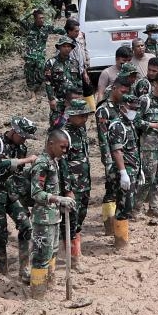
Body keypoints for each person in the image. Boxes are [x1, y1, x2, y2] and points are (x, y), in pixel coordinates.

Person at [0, 117, 38, 279]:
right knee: (0, 234)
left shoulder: (21, 148)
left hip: (12, 194)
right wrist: (26, 160)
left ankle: (24, 268)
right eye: (22, 136)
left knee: (26, 226)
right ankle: (1, 271)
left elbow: (19, 175)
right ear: (14, 131)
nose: (23, 140)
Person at [28, 130, 75, 297]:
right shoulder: (41, 164)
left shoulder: (53, 162)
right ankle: (38, 293)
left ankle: (48, 285)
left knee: (52, 251)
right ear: (51, 144)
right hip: (43, 218)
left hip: (54, 217)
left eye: (67, 148)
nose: (64, 151)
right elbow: (36, 193)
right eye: (62, 147)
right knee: (41, 255)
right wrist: (58, 199)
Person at [96, 72, 133, 234]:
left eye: (127, 92)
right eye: (122, 92)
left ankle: (117, 227)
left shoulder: (122, 108)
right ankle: (109, 225)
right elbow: (104, 138)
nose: (125, 95)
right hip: (111, 157)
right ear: (114, 88)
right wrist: (109, 161)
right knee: (111, 190)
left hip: (124, 156)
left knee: (121, 191)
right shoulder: (104, 110)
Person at [107, 93, 144, 249]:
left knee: (128, 204)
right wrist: (123, 173)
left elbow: (133, 149)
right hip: (124, 171)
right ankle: (120, 242)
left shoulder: (130, 124)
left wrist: (139, 169)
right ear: (122, 107)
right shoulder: (117, 126)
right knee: (124, 205)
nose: (134, 111)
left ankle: (122, 238)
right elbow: (117, 151)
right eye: (131, 108)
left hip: (132, 169)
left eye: (136, 108)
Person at [59, 99, 92, 269]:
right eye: (81, 116)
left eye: (86, 115)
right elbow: (62, 165)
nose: (85, 118)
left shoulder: (81, 130)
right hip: (73, 185)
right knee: (70, 220)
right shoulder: (63, 135)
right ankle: (72, 259)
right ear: (72, 116)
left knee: (80, 217)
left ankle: (76, 252)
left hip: (84, 183)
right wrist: (68, 189)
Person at [137, 72, 158, 217]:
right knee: (147, 179)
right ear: (155, 84)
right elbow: (135, 121)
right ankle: (136, 208)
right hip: (149, 146)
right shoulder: (145, 100)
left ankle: (154, 206)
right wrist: (154, 125)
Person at [23, 9, 64, 101]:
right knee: (29, 74)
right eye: (40, 18)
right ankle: (32, 93)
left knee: (42, 72)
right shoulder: (29, 26)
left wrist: (69, 31)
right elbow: (21, 20)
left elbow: (59, 30)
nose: (42, 20)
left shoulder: (46, 27)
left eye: (43, 18)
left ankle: (36, 89)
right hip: (30, 56)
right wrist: (30, 12)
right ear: (35, 19)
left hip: (40, 56)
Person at [44, 36, 83, 127]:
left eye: (69, 46)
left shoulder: (74, 62)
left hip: (72, 99)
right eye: (64, 46)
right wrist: (51, 99)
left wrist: (78, 95)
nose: (67, 49)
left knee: (74, 123)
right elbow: (48, 82)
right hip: (58, 98)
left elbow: (78, 80)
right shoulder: (51, 62)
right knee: (56, 124)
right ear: (59, 47)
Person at [65, 18, 93, 108]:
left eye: (78, 31)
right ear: (69, 31)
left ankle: (90, 109)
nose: (78, 33)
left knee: (86, 89)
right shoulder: (65, 44)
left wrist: (84, 72)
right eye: (76, 31)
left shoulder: (76, 41)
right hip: (70, 75)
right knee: (73, 95)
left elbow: (81, 57)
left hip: (79, 72)